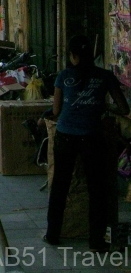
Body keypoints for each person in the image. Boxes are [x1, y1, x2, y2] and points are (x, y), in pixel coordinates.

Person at [44, 35, 129, 252]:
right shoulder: (105, 76)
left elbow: (56, 111)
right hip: (92, 138)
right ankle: (96, 242)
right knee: (97, 191)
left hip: (65, 137)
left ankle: (52, 235)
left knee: (60, 187)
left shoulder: (63, 76)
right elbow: (124, 108)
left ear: (72, 56)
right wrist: (103, 107)